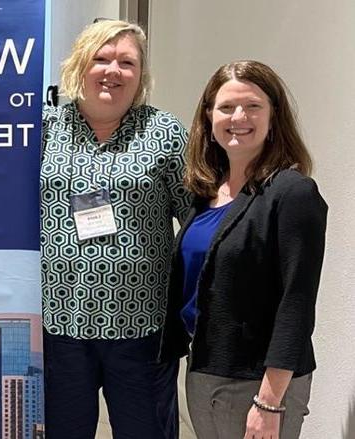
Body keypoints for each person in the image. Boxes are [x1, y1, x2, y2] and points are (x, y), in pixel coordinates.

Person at [159, 60, 327, 439]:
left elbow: (296, 303)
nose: (239, 117)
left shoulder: (291, 193)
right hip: (206, 369)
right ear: (208, 116)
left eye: (253, 106)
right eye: (226, 107)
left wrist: (269, 402)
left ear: (274, 117)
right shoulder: (207, 194)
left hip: (258, 383)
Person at [41, 20, 191, 438]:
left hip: (143, 329)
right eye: (101, 59)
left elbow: (195, 219)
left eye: (127, 62)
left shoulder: (165, 133)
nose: (113, 71)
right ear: (79, 65)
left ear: (140, 75)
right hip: (59, 327)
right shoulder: (44, 130)